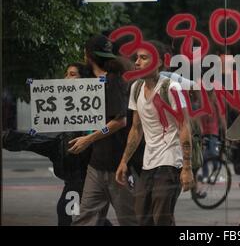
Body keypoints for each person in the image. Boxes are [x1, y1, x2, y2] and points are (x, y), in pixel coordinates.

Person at [2, 63, 116, 226]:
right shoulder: (63, 115)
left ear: (85, 80)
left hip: (87, 180)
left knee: (78, 216)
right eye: (66, 74)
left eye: (72, 74)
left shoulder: (98, 111)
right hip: (73, 179)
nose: (67, 78)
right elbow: (54, 143)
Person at [115, 40, 194, 226]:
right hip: (149, 162)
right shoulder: (136, 88)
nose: (137, 62)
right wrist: (124, 161)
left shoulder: (171, 89)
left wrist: (187, 167)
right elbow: (136, 129)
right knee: (142, 217)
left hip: (170, 160)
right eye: (137, 58)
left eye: (144, 58)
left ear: (158, 62)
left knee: (162, 218)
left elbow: (184, 126)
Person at [69, 35, 137, 226]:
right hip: (96, 164)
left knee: (130, 221)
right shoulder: (88, 83)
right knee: (84, 219)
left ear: (87, 56)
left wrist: (89, 139)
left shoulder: (114, 81)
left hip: (118, 166)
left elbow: (121, 121)